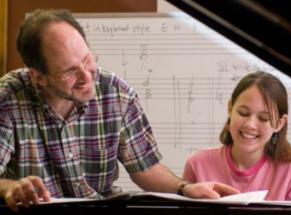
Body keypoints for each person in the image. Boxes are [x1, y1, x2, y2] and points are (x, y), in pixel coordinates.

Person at [0, 9, 239, 211]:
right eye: (69, 71)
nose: (87, 76)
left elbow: (146, 169)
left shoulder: (116, 93)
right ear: (38, 77)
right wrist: (10, 186)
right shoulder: (8, 99)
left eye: (87, 60)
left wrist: (185, 188)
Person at [183, 71, 291, 201]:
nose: (250, 124)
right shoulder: (196, 163)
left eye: (263, 118)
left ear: (280, 123)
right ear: (230, 108)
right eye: (243, 113)